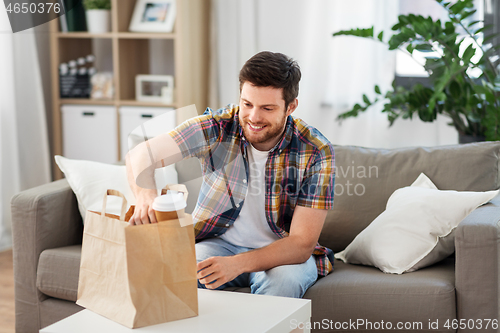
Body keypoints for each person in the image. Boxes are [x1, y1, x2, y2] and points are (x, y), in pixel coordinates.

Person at [126, 51, 335, 298]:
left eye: (267, 108)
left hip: (281, 253)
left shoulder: (315, 151)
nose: (254, 117)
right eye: (247, 104)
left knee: (283, 284)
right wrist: (145, 196)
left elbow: (301, 245)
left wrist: (237, 264)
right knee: (173, 271)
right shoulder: (217, 126)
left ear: (291, 107)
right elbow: (141, 154)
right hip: (217, 244)